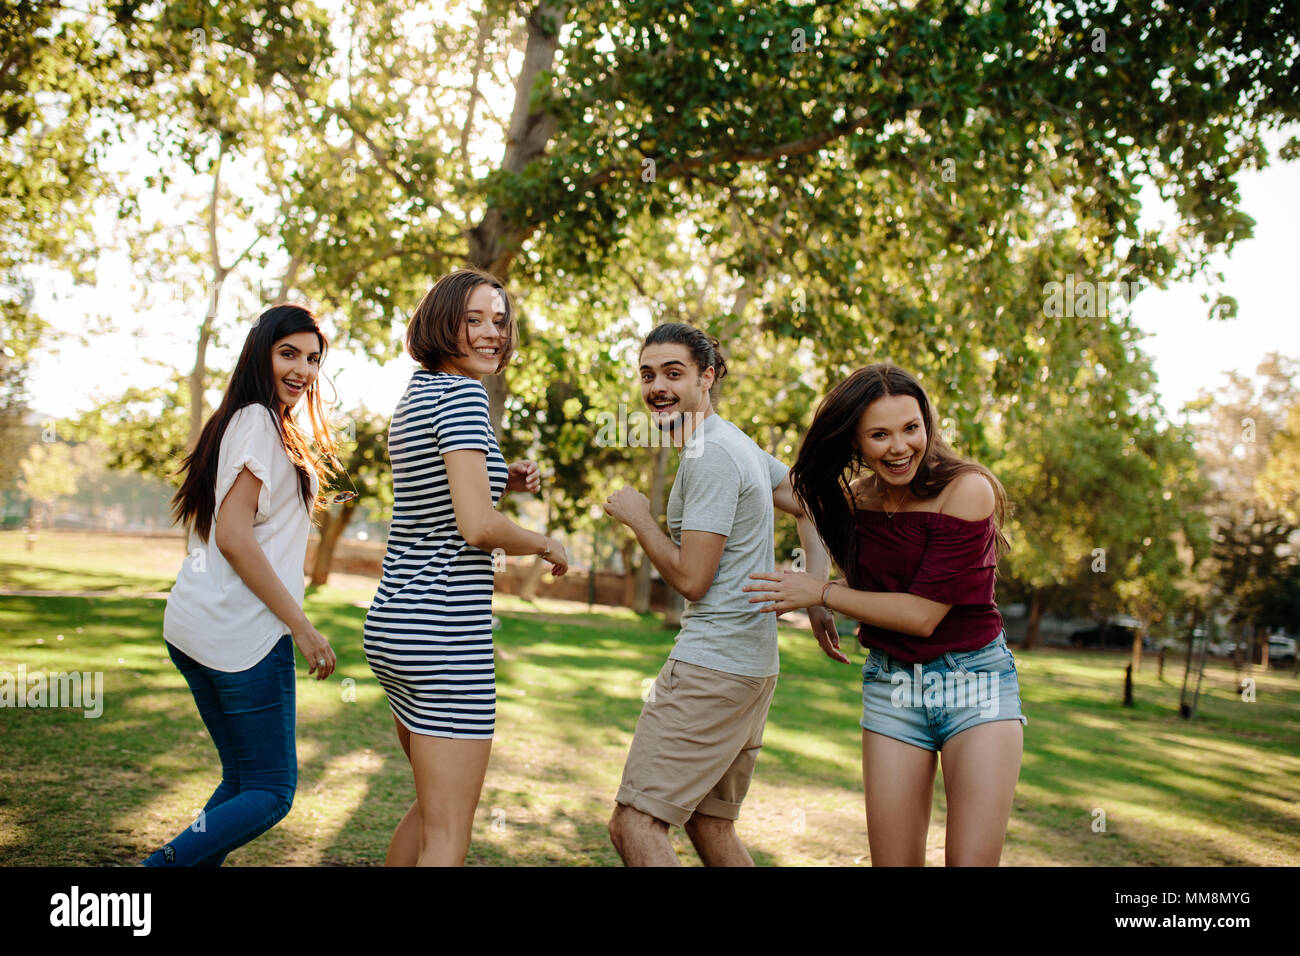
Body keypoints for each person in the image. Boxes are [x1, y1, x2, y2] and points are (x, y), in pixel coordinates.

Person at [744, 363, 1026, 866]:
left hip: (976, 685)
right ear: (854, 439)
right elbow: (781, 489)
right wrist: (696, 420)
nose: (900, 447)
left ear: (927, 425)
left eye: (910, 428)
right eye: (879, 434)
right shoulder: (856, 501)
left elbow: (921, 615)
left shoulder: (967, 489)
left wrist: (821, 593)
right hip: (892, 686)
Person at [603, 322, 837, 867]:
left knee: (635, 823)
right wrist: (818, 594)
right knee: (712, 826)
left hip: (711, 668)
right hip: (752, 668)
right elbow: (809, 504)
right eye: (647, 374)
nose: (657, 386)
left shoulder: (709, 454)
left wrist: (639, 519)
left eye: (673, 372)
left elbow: (692, 579)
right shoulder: (735, 442)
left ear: (707, 377)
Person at [363, 267, 569, 867]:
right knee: (450, 834)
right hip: (443, 630)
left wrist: (503, 476)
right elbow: (477, 527)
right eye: (474, 319)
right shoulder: (462, 396)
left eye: (499, 321)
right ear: (441, 321)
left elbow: (440, 494)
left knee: (433, 813)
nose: (491, 333)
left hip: (396, 625)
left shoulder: (419, 392)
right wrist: (544, 542)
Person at [144, 304, 340, 867]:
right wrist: (301, 627)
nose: (302, 369)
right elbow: (233, 536)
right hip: (242, 636)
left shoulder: (250, 420)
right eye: (288, 354)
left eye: (312, 358)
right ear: (260, 353)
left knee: (240, 783)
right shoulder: (256, 421)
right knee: (271, 791)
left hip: (195, 624)